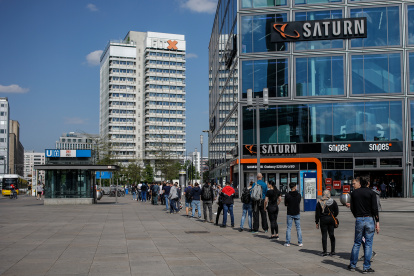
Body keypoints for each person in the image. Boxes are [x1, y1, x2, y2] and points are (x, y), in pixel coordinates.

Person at [348, 177, 380, 274]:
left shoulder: (354, 193)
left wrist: (356, 216)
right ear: (368, 183)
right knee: (368, 244)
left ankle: (352, 265)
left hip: (359, 219)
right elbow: (375, 208)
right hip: (369, 218)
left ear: (360, 183)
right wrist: (377, 222)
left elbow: (352, 208)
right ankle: (366, 267)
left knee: (357, 243)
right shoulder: (371, 193)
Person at [315, 190, 338, 256]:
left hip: (323, 220)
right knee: (332, 234)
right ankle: (333, 251)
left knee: (324, 235)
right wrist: (333, 216)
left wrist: (317, 222)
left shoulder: (320, 202)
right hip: (331, 219)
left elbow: (317, 213)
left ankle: (325, 251)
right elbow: (336, 211)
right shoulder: (333, 201)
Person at [284, 182, 303, 247]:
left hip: (289, 212)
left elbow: (285, 204)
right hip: (297, 212)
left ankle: (288, 242)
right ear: (295, 187)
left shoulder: (287, 195)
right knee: (298, 228)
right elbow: (299, 202)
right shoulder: (299, 195)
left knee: (289, 228)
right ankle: (300, 242)